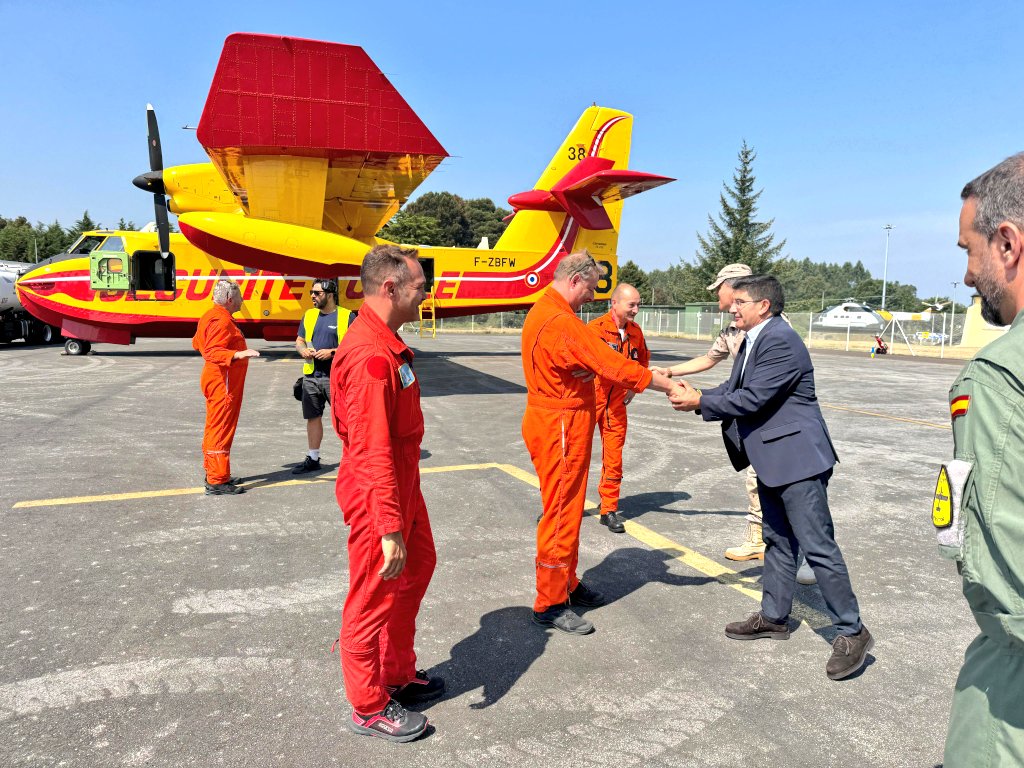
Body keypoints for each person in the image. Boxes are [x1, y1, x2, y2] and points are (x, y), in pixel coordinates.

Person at [670, 275, 872, 680]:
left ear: (764, 305)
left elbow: (753, 398)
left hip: (798, 461)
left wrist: (700, 401)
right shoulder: (753, 339)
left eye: (740, 301)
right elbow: (733, 386)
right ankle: (774, 617)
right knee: (778, 540)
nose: (732, 307)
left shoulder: (779, 339)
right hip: (773, 460)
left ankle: (853, 630)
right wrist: (695, 395)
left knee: (817, 545)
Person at [521, 251, 681, 635]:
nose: (592, 297)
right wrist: (667, 385)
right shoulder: (561, 321)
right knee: (561, 513)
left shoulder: (548, 311)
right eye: (591, 288)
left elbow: (601, 363)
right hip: (560, 423)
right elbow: (614, 366)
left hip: (562, 419)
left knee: (570, 509)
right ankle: (549, 602)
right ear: (575, 280)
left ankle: (567, 583)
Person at [331, 244, 439, 743]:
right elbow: (372, 449)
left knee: (416, 569)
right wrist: (389, 525)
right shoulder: (373, 356)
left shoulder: (388, 343)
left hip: (402, 485)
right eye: (420, 287)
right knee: (372, 595)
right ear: (391, 288)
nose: (426, 294)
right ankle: (368, 703)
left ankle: (396, 672)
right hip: (381, 493)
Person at [651, 264, 817, 584]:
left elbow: (754, 389)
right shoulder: (732, 331)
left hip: (776, 419)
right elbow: (710, 361)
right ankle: (767, 545)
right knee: (759, 480)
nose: (717, 295)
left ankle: (810, 554)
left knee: (785, 486)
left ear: (736, 288)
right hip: (751, 418)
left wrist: (701, 400)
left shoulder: (773, 328)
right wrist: (672, 373)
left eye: (720, 289)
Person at [941, 153, 1024, 766]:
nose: (967, 274)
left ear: (1007, 244)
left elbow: (1005, 576)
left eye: (969, 249)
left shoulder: (997, 377)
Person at [587, 283, 649, 533]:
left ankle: (608, 510)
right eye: (631, 304)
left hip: (617, 404)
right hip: (590, 400)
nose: (636, 309)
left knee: (614, 458)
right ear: (614, 303)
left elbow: (642, 362)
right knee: (574, 456)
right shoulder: (595, 330)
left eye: (638, 304)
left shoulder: (636, 332)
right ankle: (559, 507)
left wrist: (634, 389)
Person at [192, 279, 260, 496]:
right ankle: (217, 480)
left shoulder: (211, 316)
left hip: (219, 380)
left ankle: (216, 472)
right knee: (220, 430)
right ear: (230, 300)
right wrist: (236, 354)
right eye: (240, 296)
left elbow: (197, 343)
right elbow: (211, 350)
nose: (243, 300)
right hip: (223, 383)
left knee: (216, 428)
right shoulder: (220, 320)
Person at [292, 279, 355, 474]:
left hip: (336, 377)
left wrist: (332, 352)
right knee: (313, 417)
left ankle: (354, 459)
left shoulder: (347, 316)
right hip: (311, 376)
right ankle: (313, 458)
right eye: (312, 292)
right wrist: (303, 350)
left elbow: (355, 346)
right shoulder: (309, 315)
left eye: (317, 293)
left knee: (346, 419)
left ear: (330, 295)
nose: (312, 296)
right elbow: (300, 340)